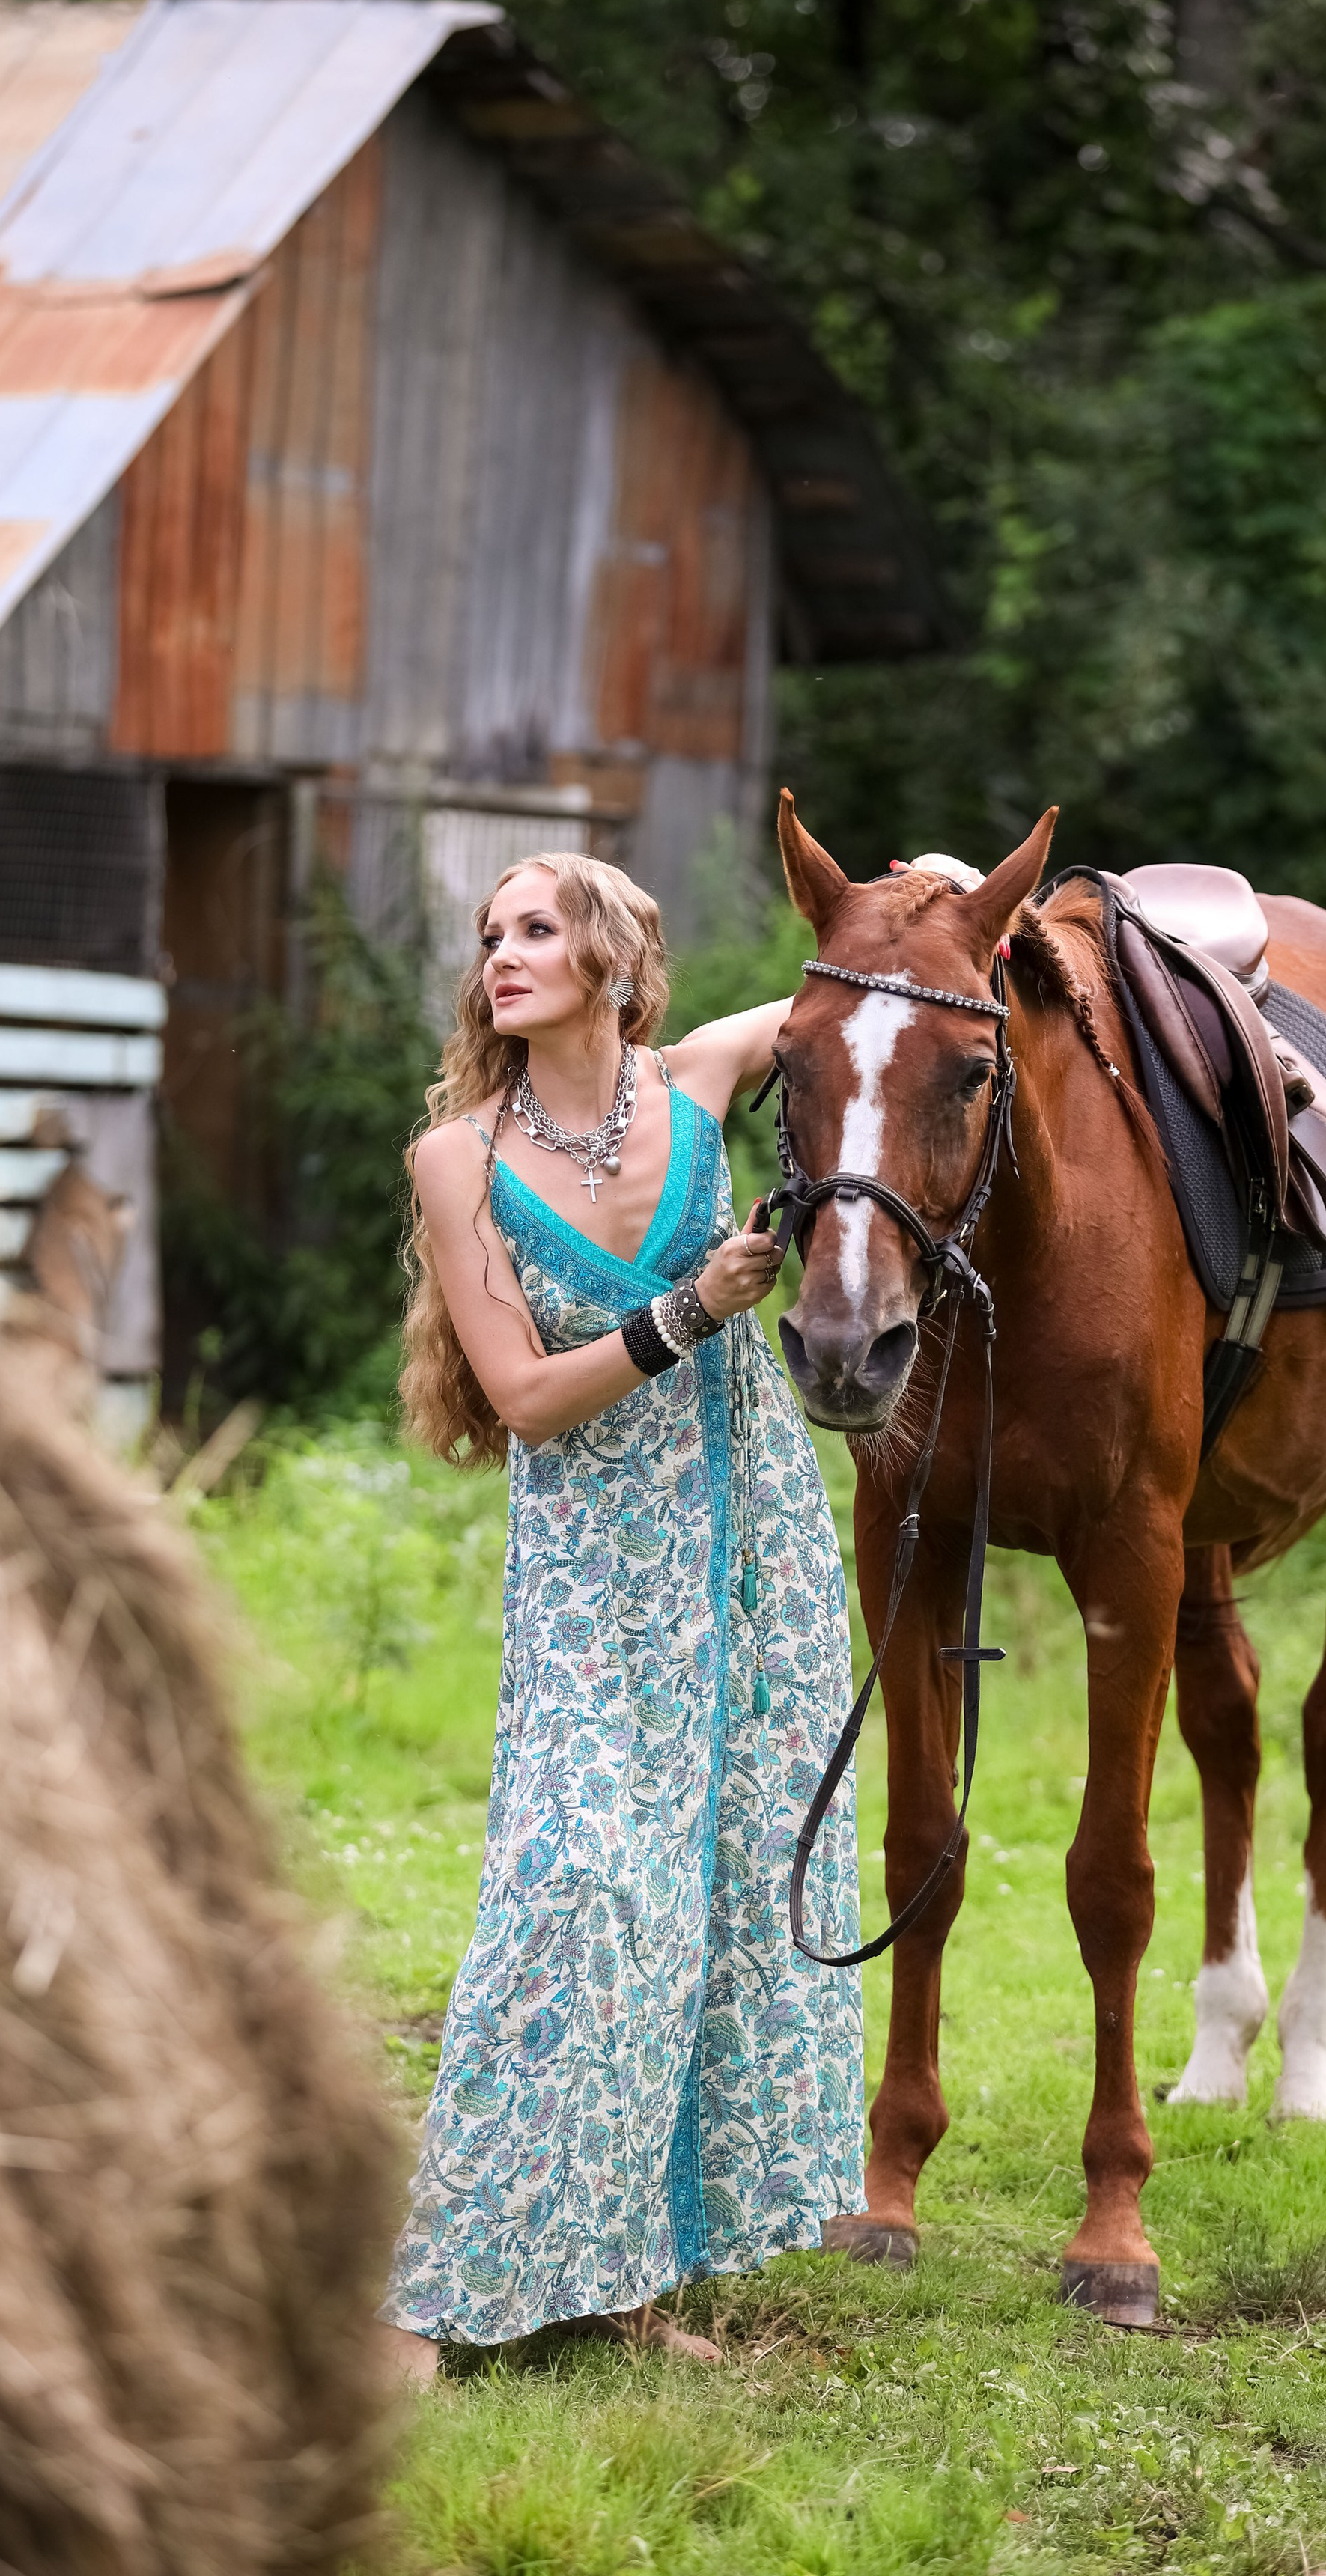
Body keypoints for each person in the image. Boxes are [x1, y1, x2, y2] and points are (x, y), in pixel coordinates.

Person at [377, 851, 865, 2380]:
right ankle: (460, 2282)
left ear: (611, 958)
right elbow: (523, 1399)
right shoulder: (455, 1159)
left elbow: (881, 1007)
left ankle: (621, 2282)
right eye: (490, 937)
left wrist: (933, 894)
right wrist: (686, 1311)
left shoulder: (705, 1082)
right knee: (579, 1889)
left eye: (534, 929)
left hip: (745, 1557)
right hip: (595, 1580)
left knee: (707, 1905)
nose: (501, 955)